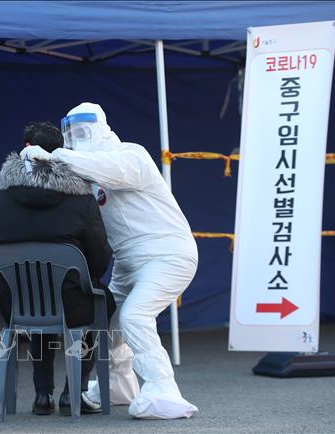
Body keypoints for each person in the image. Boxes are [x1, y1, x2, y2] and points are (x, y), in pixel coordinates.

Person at [21, 102, 199, 420]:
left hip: (167, 254)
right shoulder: (84, 170)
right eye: (70, 133)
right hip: (127, 262)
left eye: (83, 131)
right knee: (105, 324)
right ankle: (118, 385)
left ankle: (163, 389)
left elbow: (108, 170)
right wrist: (36, 167)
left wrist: (56, 156)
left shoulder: (131, 155)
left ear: (102, 128)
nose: (76, 138)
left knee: (134, 316)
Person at [0, 122, 116, 416]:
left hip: (16, 305)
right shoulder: (81, 200)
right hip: (71, 304)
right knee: (99, 299)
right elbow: (100, 260)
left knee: (35, 295)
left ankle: (42, 395)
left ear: (25, 149)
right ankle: (74, 391)